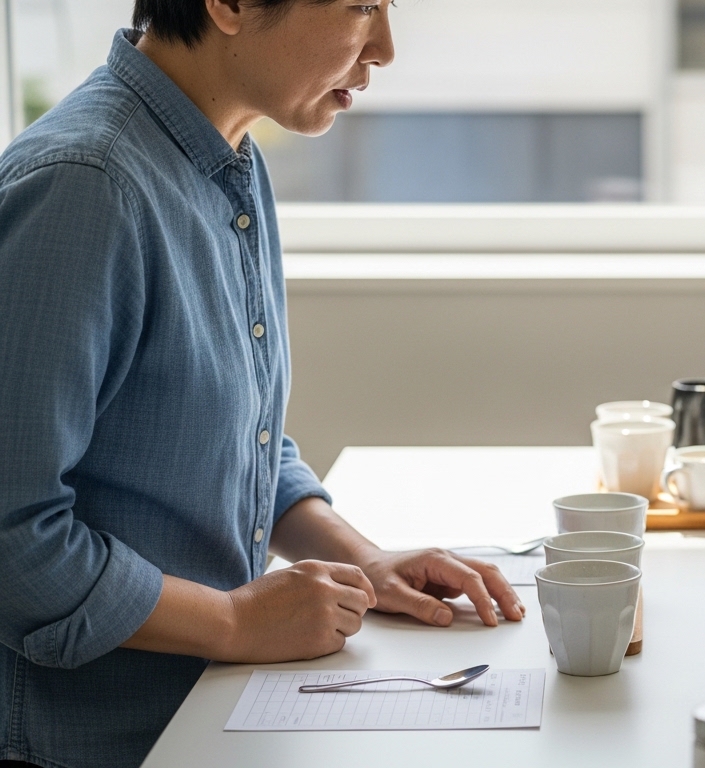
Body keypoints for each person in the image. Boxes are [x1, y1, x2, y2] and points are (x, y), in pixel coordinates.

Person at [0, 2, 525, 767]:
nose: (384, 48)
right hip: (95, 746)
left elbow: (236, 439)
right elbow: (14, 539)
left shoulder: (227, 158)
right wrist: (233, 621)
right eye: (361, 6)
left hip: (212, 711)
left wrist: (364, 560)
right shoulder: (84, 188)